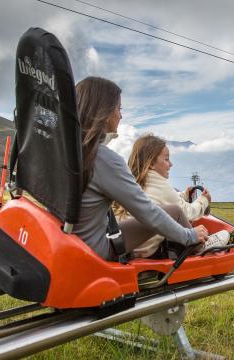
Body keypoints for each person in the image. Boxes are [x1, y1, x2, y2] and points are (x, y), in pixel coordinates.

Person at [72, 76, 208, 261]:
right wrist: (189, 235)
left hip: (75, 241)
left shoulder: (69, 152)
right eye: (118, 109)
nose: (121, 115)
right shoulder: (104, 159)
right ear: (104, 112)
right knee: (174, 212)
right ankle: (203, 249)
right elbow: (148, 213)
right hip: (97, 249)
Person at [116, 134, 229, 258]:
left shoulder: (134, 180)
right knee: (177, 212)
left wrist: (183, 196)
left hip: (128, 246)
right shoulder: (160, 184)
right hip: (148, 251)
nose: (171, 164)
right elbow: (188, 212)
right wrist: (203, 200)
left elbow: (158, 199)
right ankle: (201, 246)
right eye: (166, 159)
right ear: (151, 163)